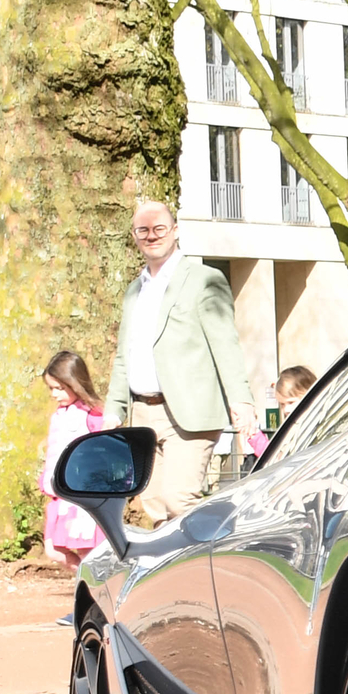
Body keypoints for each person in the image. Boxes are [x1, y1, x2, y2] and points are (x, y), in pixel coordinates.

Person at [105, 199, 257, 524]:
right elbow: (124, 354)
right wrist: (113, 408)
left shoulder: (204, 279)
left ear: (174, 231)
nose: (151, 236)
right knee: (154, 504)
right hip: (143, 411)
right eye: (143, 230)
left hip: (191, 411)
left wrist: (241, 399)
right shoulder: (135, 291)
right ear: (134, 236)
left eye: (159, 228)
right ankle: (173, 573)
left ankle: (213, 566)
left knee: (180, 500)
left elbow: (225, 343)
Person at [37, 353, 107, 610]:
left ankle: (92, 605)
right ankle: (94, 595)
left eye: (59, 388)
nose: (54, 394)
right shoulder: (60, 414)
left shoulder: (93, 416)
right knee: (54, 550)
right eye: (51, 389)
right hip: (59, 496)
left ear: (74, 383)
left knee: (89, 555)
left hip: (82, 499)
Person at [244, 365, 315, 460]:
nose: (286, 410)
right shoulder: (292, 426)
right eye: (282, 404)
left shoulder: (313, 424)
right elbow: (278, 459)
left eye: (291, 402)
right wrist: (255, 435)